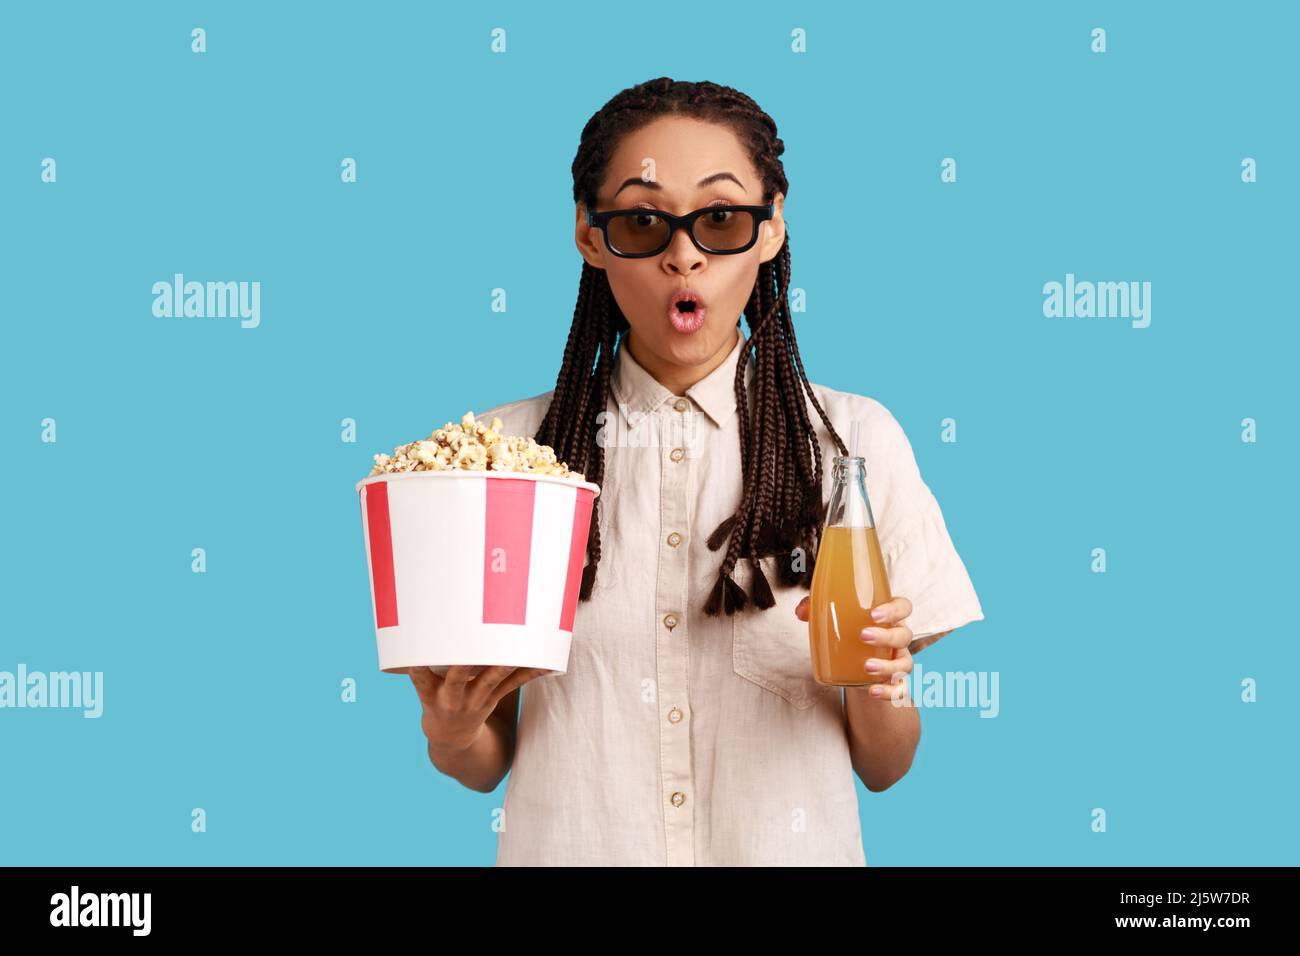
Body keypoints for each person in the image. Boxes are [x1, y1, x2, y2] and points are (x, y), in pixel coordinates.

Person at [406, 77, 984, 866]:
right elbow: (486, 761)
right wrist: (452, 730)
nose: (685, 253)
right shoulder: (507, 457)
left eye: (720, 219)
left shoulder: (853, 444)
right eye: (643, 221)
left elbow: (884, 766)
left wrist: (881, 684)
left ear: (773, 227)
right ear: (589, 234)